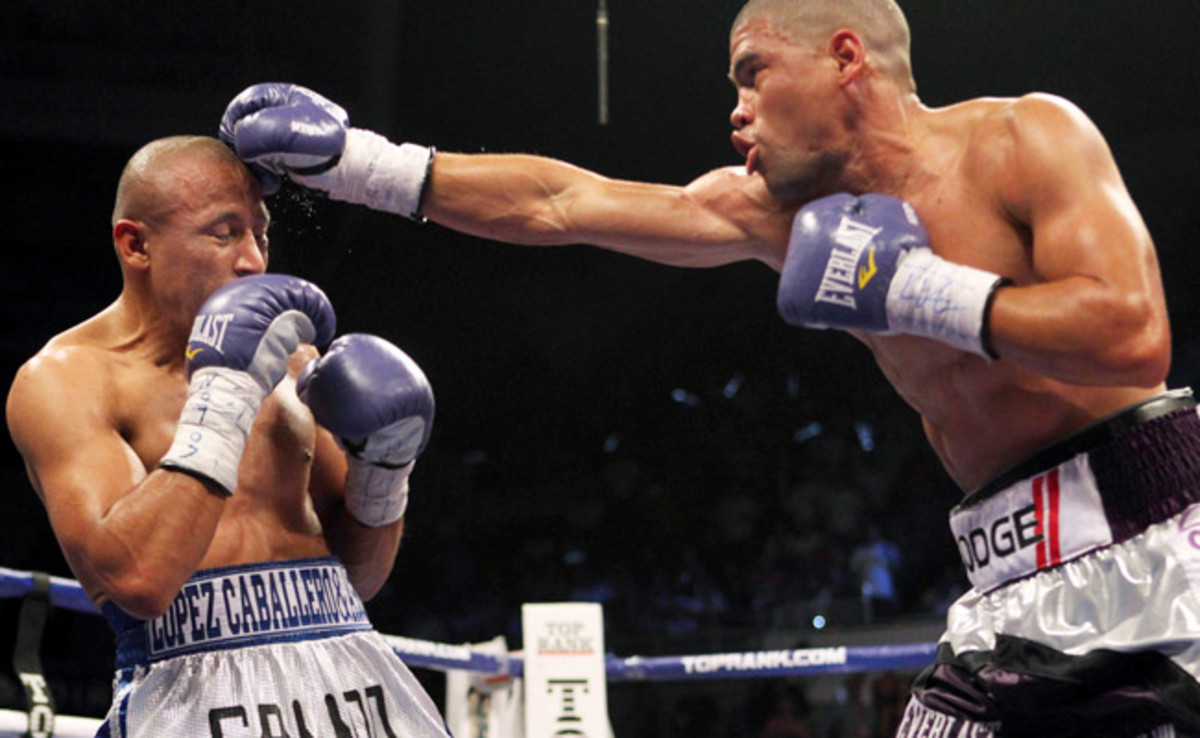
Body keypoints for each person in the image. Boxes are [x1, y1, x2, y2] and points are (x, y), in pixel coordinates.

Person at [218, 0, 1200, 733]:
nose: (734, 110)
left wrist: (918, 293)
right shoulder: (782, 218)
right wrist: (362, 164)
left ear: (844, 59)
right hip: (1007, 584)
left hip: (1159, 547)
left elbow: (1130, 335)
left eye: (751, 73)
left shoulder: (1026, 137)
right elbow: (566, 203)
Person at [4, 136, 451, 736]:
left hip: (353, 680)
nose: (254, 262)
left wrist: (385, 474)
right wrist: (224, 398)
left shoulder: (294, 360)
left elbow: (360, 579)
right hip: (195, 694)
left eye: (260, 234)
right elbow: (137, 580)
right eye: (224, 233)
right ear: (137, 245)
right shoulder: (66, 381)